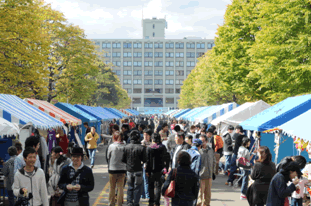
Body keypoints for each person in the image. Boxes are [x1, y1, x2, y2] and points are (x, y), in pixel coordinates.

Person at [122, 130, 147, 206]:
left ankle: (129, 202)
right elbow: (145, 160)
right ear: (138, 138)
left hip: (129, 170)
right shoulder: (141, 148)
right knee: (137, 188)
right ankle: (136, 202)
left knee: (130, 187)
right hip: (138, 170)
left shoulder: (126, 147)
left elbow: (123, 159)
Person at [146, 133, 169, 206]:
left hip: (151, 170)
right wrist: (166, 168)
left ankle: (151, 201)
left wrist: (147, 170)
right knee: (158, 186)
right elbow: (167, 158)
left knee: (151, 186)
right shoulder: (163, 147)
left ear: (152, 139)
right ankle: (157, 202)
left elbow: (147, 160)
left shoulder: (149, 147)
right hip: (160, 170)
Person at [107, 131, 127, 206]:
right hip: (122, 169)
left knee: (112, 187)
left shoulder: (111, 146)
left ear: (114, 137)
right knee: (120, 188)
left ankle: (111, 203)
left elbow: (108, 157)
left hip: (112, 169)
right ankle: (119, 203)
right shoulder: (125, 146)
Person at [197, 134, 216, 206]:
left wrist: (213, 172)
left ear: (206, 141)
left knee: (207, 196)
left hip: (209, 175)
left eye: (203, 141)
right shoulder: (198, 151)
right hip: (200, 176)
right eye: (200, 141)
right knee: (199, 195)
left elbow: (214, 161)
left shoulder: (210, 150)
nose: (201, 143)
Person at [141, 129, 152, 200]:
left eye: (147, 135)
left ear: (150, 136)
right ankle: (145, 195)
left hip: (149, 164)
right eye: (144, 135)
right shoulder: (142, 143)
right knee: (144, 180)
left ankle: (145, 194)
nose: (145, 136)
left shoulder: (151, 144)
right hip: (143, 164)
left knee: (146, 180)